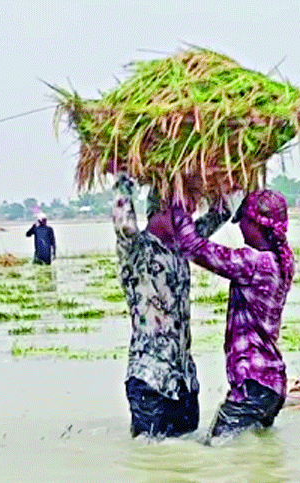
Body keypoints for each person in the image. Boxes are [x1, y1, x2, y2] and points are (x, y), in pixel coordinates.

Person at [170, 189, 294, 443]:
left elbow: (194, 247)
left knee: (215, 452)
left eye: (244, 223)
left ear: (256, 225)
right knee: (256, 458)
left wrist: (178, 202)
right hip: (272, 387)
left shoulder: (255, 264)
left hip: (253, 385)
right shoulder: (281, 261)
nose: (239, 230)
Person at [112, 174, 230, 438]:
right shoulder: (135, 249)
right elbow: (126, 225)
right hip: (150, 381)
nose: (187, 220)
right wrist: (122, 178)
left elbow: (222, 213)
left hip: (185, 380)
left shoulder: (181, 246)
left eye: (188, 213)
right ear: (159, 213)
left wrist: (219, 181)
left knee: (184, 463)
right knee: (153, 460)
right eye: (181, 213)